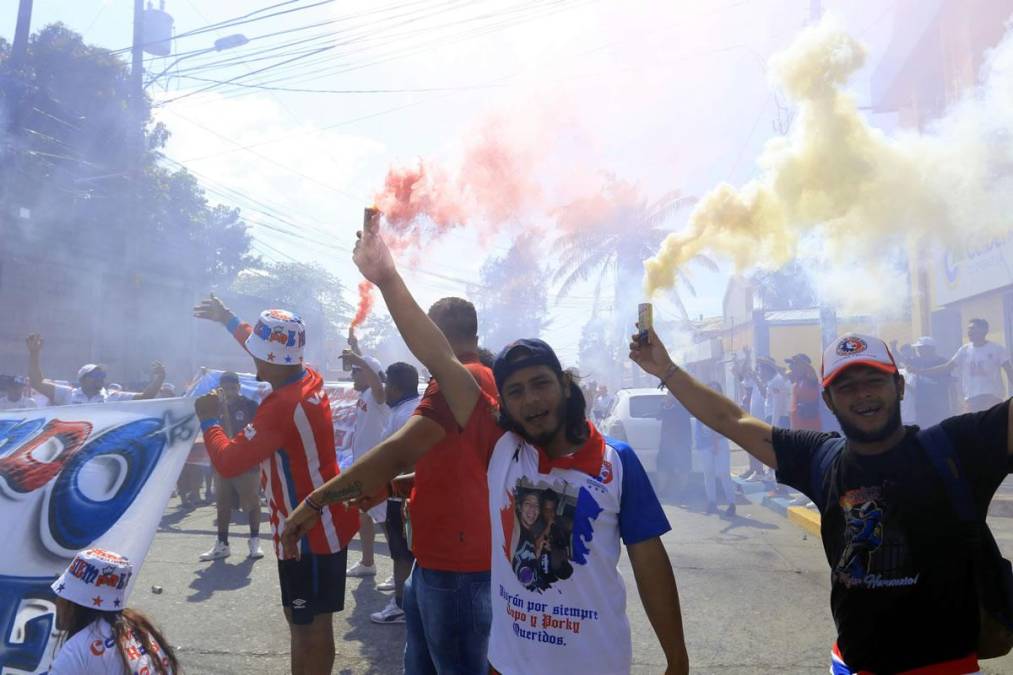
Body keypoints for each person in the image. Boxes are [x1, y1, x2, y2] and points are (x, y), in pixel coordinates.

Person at [283, 218, 689, 675]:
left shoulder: (618, 462)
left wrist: (677, 660)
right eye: (515, 392)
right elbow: (437, 356)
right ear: (504, 404)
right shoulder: (502, 446)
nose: (531, 399)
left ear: (564, 384)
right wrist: (387, 279)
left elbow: (650, 563)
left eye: (540, 384)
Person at [631, 327, 1013, 674]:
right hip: (849, 665)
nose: (862, 394)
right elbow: (733, 420)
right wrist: (666, 370)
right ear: (828, 400)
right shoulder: (821, 457)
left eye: (873, 381)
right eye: (846, 387)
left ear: (899, 387)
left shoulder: (956, 447)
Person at [192, 296, 359, 675]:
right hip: (317, 523)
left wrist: (209, 421)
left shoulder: (282, 407)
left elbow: (229, 460)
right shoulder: (305, 375)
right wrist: (228, 318)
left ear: (269, 360)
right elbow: (264, 343)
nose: (252, 357)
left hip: (307, 533)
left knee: (308, 630)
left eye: (256, 353)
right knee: (306, 622)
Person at [48, 548, 178, 675]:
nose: (57, 600)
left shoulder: (76, 651)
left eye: (62, 594)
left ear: (72, 601)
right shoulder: (139, 626)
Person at [370, 361, 421, 625]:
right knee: (405, 551)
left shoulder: (405, 415)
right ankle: (407, 599)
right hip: (401, 493)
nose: (384, 389)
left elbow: (406, 460)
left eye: (387, 383)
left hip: (400, 495)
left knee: (402, 553)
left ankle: (400, 606)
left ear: (397, 387)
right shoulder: (407, 408)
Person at [198, 371, 264, 561]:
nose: (229, 391)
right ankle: (222, 544)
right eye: (226, 388)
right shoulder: (214, 407)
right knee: (222, 503)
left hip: (245, 461)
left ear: (239, 387)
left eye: (233, 387)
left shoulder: (250, 405)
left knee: (251, 501)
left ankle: (254, 540)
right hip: (222, 460)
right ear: (221, 388)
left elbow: (259, 430)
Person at [343, 331, 391, 580]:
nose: (352, 374)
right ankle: (367, 562)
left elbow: (374, 376)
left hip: (377, 468)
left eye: (356, 371)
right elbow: (369, 368)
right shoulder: (365, 392)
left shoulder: (378, 393)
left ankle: (399, 568)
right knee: (364, 514)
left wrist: (361, 360)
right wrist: (356, 348)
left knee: (386, 521)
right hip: (363, 466)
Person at [26, 334, 165, 405]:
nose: (101, 377)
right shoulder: (67, 394)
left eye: (102, 374)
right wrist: (34, 354)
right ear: (83, 379)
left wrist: (160, 379)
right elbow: (37, 382)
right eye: (96, 374)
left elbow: (145, 397)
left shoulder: (113, 397)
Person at [918, 319, 1013, 413]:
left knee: (993, 426)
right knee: (972, 427)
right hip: (972, 399)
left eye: (973, 329)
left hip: (992, 397)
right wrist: (922, 371)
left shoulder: (996, 349)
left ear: (984, 330)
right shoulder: (964, 350)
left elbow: (1009, 371)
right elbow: (947, 367)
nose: (969, 332)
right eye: (968, 329)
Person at [693, 383, 736, 517]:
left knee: (724, 473)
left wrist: (716, 440)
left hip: (721, 442)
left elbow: (727, 425)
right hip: (705, 445)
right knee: (708, 474)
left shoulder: (725, 406)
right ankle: (711, 502)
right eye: (711, 391)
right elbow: (699, 427)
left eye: (717, 391)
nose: (714, 393)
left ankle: (731, 503)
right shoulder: (701, 407)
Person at [907, 336, 953, 426]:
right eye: (918, 348)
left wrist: (954, 405)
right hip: (921, 406)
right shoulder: (917, 362)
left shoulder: (942, 362)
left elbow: (949, 383)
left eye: (921, 348)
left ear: (930, 349)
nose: (918, 350)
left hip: (939, 405)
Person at [656, 394, 692, 501]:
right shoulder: (663, 406)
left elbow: (686, 423)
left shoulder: (683, 405)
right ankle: (662, 491)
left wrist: (688, 443)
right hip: (666, 443)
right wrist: (666, 405)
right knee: (662, 467)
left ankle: (682, 492)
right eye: (668, 394)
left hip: (681, 442)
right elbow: (658, 416)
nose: (669, 396)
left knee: (683, 468)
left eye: (671, 394)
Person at [786, 353, 821, 431]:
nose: (791, 367)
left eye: (794, 365)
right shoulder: (796, 383)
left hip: (809, 428)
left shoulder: (811, 381)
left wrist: (803, 362)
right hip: (796, 427)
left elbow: (812, 372)